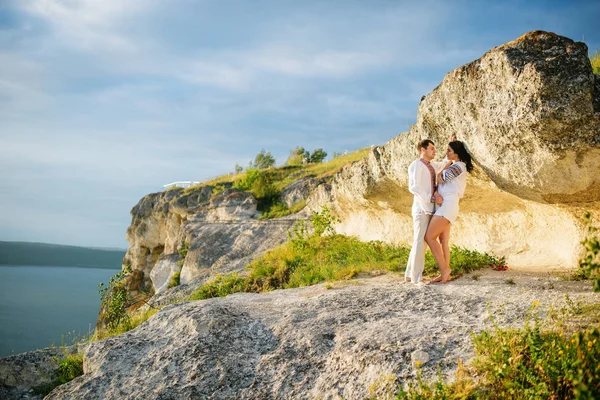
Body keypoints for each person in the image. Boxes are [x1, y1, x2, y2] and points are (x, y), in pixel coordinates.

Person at [424, 140, 474, 284]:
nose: (446, 153)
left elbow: (440, 179)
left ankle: (445, 270)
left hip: (448, 205)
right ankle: (445, 274)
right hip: (445, 205)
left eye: (449, 151)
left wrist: (445, 166)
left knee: (429, 236)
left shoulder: (459, 166)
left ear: (456, 154)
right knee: (443, 240)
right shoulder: (455, 165)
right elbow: (443, 177)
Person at [405, 139, 447, 285]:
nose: (435, 151)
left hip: (430, 208)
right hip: (421, 208)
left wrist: (452, 144)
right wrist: (431, 198)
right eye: (432, 148)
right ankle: (416, 278)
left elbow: (445, 162)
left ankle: (409, 275)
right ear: (423, 149)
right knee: (419, 241)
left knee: (420, 241)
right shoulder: (415, 165)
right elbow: (414, 187)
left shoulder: (433, 166)